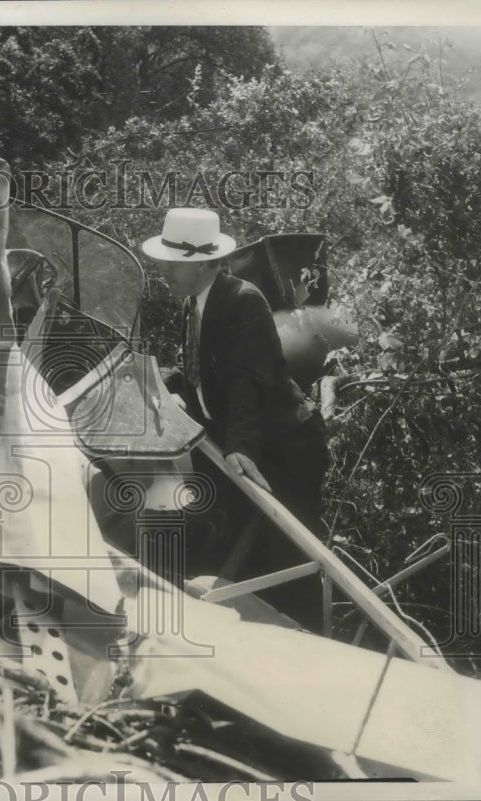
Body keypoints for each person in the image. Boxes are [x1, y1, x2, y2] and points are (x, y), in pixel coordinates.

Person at [142, 208, 329, 630]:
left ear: (204, 263)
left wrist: (240, 447)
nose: (166, 271)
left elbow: (251, 379)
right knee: (248, 548)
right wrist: (160, 380)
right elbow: (200, 373)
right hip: (245, 446)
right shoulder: (193, 306)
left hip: (284, 449)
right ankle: (260, 636)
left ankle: (318, 644)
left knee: (292, 551)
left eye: (174, 263)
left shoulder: (243, 301)